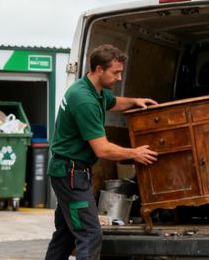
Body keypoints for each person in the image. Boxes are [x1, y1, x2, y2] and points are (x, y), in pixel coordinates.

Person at [44, 44, 159, 260]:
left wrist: (134, 101)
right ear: (99, 69)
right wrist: (134, 153)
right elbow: (102, 149)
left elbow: (113, 102)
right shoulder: (84, 99)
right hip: (71, 175)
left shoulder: (93, 90)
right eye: (115, 72)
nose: (119, 77)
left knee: (66, 236)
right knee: (90, 235)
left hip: (69, 172)